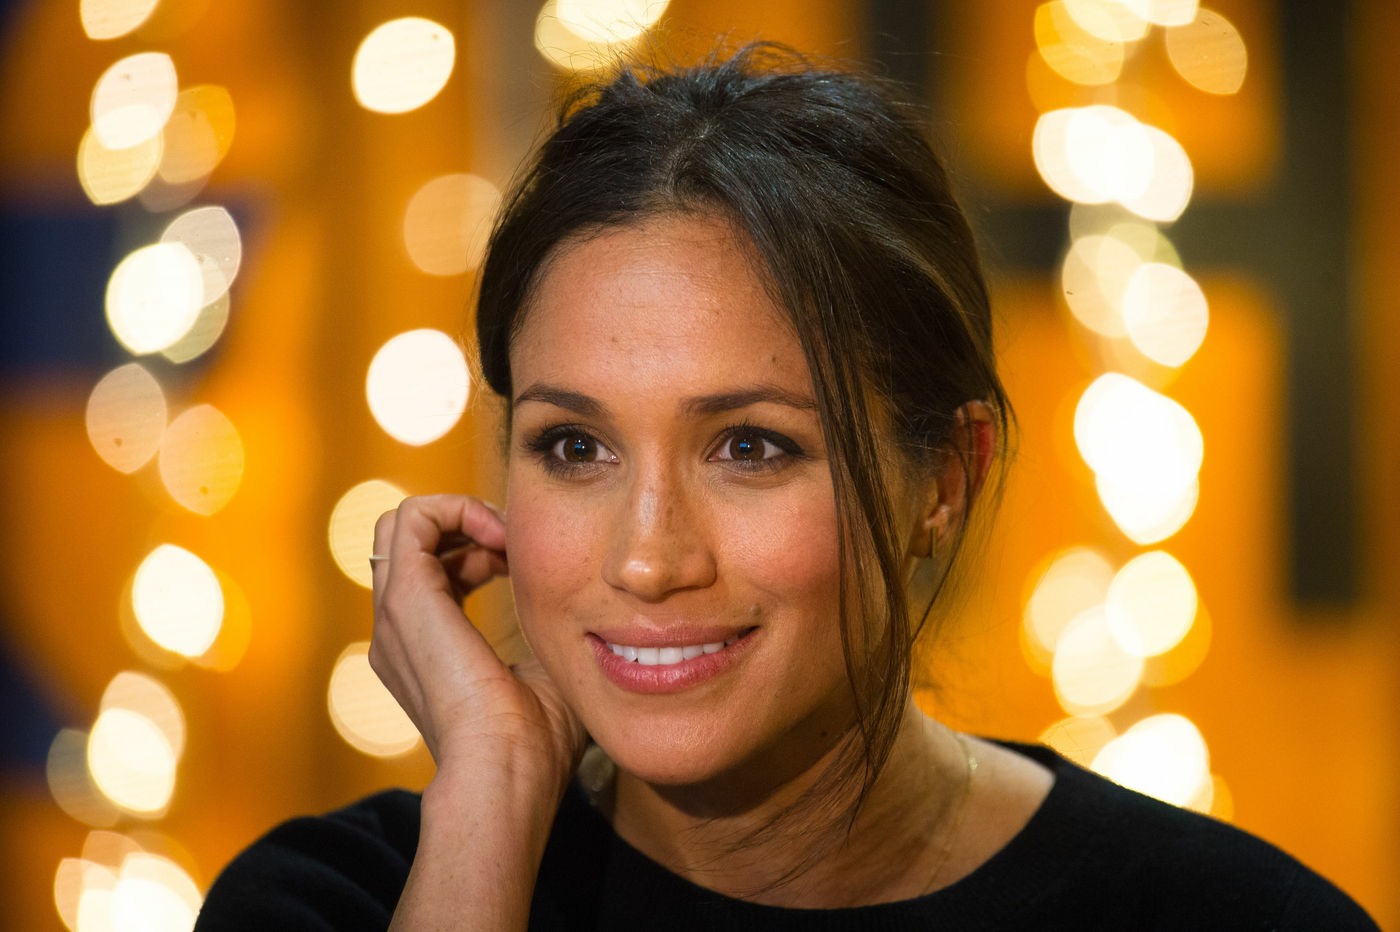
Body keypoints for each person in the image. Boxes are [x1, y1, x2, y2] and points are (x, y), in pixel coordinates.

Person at [196, 44, 1378, 930]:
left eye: (750, 447)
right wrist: (489, 802)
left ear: (943, 480)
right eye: (574, 447)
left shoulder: (1232, 921)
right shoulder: (341, 901)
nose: (648, 557)